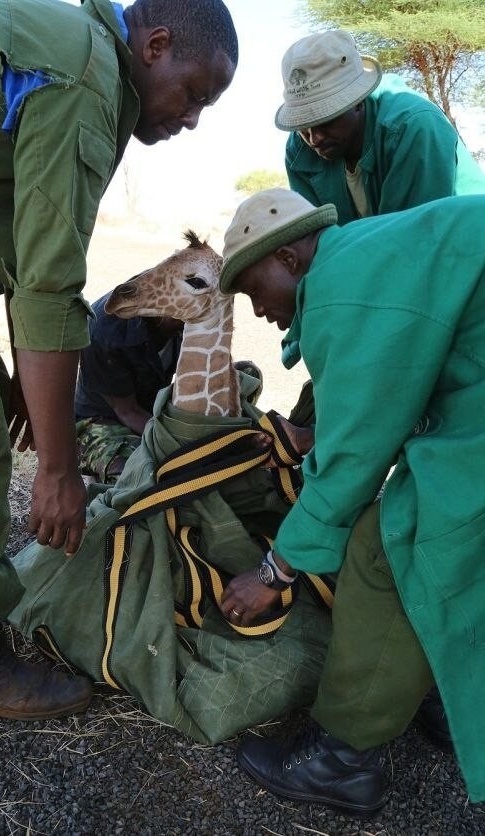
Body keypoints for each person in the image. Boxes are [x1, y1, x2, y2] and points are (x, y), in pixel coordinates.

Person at [0, 0, 238, 720]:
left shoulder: (75, 51)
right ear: (156, 45)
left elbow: (23, 258)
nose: (193, 117)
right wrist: (57, 469)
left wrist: (21, 382)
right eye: (195, 92)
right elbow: (49, 283)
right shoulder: (83, 77)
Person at [218, 188, 485, 813]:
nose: (257, 312)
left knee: (391, 549)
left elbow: (350, 467)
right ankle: (442, 685)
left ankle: (340, 760)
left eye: (255, 290)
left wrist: (274, 572)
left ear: (288, 257)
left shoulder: (339, 288)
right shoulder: (367, 253)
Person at [276, 30, 485, 225]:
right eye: (303, 125)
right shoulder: (298, 151)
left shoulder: (413, 127)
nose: (314, 138)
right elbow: (316, 243)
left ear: (358, 100)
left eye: (326, 119)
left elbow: (415, 239)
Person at [75, 289, 183, 482]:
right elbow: (127, 411)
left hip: (152, 412)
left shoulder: (187, 323)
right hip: (102, 420)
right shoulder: (106, 329)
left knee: (245, 374)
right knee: (138, 473)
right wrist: (178, 445)